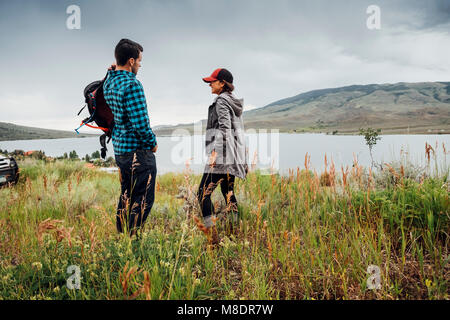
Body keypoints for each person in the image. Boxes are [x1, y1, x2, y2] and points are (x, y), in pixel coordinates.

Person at [103, 39, 158, 236]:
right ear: (132, 61)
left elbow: (111, 73)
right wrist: (152, 143)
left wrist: (111, 69)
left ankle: (122, 235)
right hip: (138, 153)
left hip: (120, 151)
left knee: (126, 195)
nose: (140, 65)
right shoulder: (132, 84)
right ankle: (132, 239)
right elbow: (141, 124)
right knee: (142, 199)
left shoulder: (109, 81)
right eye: (140, 61)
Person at [197, 68, 248, 244]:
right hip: (233, 156)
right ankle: (235, 232)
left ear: (222, 83)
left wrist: (215, 153)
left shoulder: (221, 101)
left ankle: (211, 236)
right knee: (228, 192)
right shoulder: (234, 102)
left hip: (223, 157)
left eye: (213, 81)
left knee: (202, 194)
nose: (210, 84)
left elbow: (225, 130)